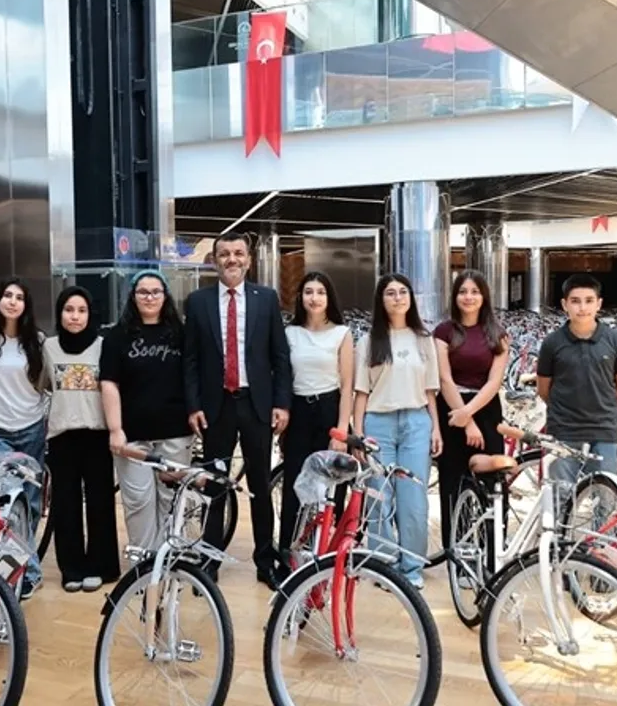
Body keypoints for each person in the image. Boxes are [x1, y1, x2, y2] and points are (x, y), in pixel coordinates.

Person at [184, 233, 293, 588]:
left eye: (238, 253)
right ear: (214, 260)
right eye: (224, 254)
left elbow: (280, 356)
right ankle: (209, 559)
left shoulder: (267, 299)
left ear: (248, 259)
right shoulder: (197, 302)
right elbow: (191, 360)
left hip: (256, 405)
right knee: (215, 485)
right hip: (216, 408)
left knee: (260, 485)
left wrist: (282, 403)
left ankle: (265, 560)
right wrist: (193, 405)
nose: (231, 259)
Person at [353, 273, 442, 590]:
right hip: (378, 425)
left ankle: (412, 566)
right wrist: (358, 434)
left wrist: (436, 428)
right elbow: (361, 392)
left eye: (403, 292)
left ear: (411, 298)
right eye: (390, 293)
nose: (398, 298)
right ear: (381, 300)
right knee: (379, 497)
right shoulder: (368, 342)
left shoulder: (423, 339)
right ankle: (384, 565)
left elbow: (430, 390)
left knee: (413, 498)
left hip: (416, 423)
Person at [101, 271, 194, 553]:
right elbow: (109, 384)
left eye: (156, 292)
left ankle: (172, 562)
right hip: (133, 438)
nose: (149, 297)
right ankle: (143, 565)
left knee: (172, 500)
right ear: (133, 296)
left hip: (175, 433)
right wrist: (115, 429)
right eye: (143, 292)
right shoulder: (116, 336)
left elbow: (193, 377)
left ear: (165, 296)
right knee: (138, 502)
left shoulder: (181, 334)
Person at [0, 277, 50, 600]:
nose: (13, 301)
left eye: (19, 297)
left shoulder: (38, 341)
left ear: (26, 305)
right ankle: (28, 573)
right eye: (7, 295)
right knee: (6, 500)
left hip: (31, 428)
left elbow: (46, 383)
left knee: (29, 503)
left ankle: (15, 568)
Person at [44, 286, 119, 593]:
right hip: (62, 435)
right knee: (66, 503)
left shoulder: (104, 345)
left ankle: (101, 565)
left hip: (97, 434)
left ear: (90, 314)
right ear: (60, 313)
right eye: (68, 310)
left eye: (81, 310)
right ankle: (71, 567)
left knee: (100, 502)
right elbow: (42, 385)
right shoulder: (48, 347)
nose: (74, 317)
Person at [278, 272, 353, 575]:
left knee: (331, 489)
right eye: (308, 292)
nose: (314, 298)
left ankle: (326, 557)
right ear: (301, 297)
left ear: (329, 297)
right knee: (295, 485)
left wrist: (342, 430)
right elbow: (284, 377)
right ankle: (288, 558)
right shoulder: (290, 333)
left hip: (329, 410)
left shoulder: (342, 333)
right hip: (298, 411)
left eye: (320, 292)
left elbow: (347, 385)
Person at [433, 270, 509, 551]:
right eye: (463, 291)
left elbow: (494, 382)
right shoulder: (444, 332)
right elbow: (444, 379)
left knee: (492, 481)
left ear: (484, 296)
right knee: (452, 481)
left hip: (487, 410)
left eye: (475, 292)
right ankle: (456, 552)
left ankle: (492, 552)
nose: (469, 297)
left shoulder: (497, 334)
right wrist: (465, 420)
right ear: (455, 296)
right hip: (451, 410)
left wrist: (470, 413)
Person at [536, 273, 617, 487]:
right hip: (563, 431)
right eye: (575, 301)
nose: (582, 308)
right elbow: (544, 389)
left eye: (589, 301)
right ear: (565, 305)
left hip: (604, 430)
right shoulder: (552, 343)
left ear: (599, 304)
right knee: (561, 494)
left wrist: (604, 406)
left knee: (606, 494)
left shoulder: (615, 340)